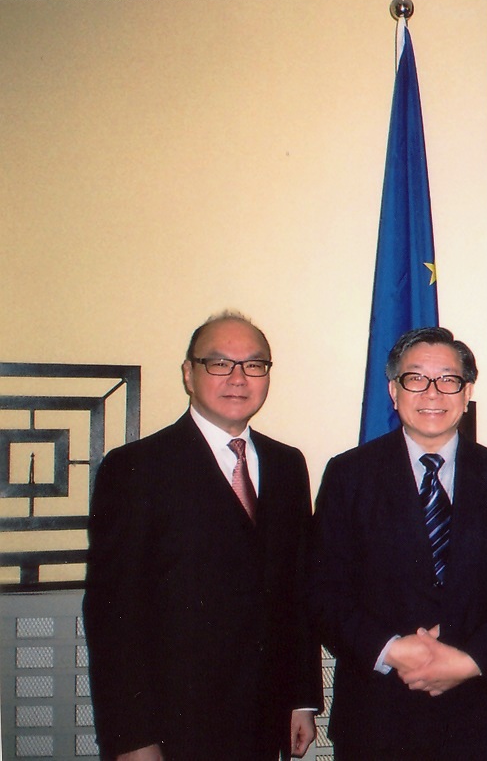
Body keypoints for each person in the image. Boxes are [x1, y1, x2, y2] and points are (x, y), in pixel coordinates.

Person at [83, 312, 322, 761]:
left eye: (254, 365)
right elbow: (113, 614)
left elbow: (294, 593)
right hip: (174, 724)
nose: (238, 377)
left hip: (265, 718)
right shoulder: (136, 468)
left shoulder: (288, 466)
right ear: (188, 374)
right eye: (218, 363)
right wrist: (131, 738)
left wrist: (301, 698)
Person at [309, 326, 487, 759]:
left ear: (467, 391)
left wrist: (467, 659)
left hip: (477, 714)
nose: (432, 393)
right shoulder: (349, 475)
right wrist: (393, 650)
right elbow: (324, 589)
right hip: (377, 713)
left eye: (448, 380)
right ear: (393, 391)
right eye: (415, 378)